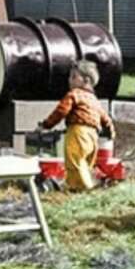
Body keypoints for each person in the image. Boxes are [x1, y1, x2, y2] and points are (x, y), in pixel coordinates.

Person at [39, 60, 114, 192]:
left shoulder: (74, 94)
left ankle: (85, 189)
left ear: (86, 80)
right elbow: (106, 119)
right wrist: (110, 132)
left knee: (75, 162)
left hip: (78, 132)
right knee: (85, 165)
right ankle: (74, 186)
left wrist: (46, 124)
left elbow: (61, 111)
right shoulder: (94, 100)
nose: (69, 80)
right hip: (93, 137)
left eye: (74, 77)